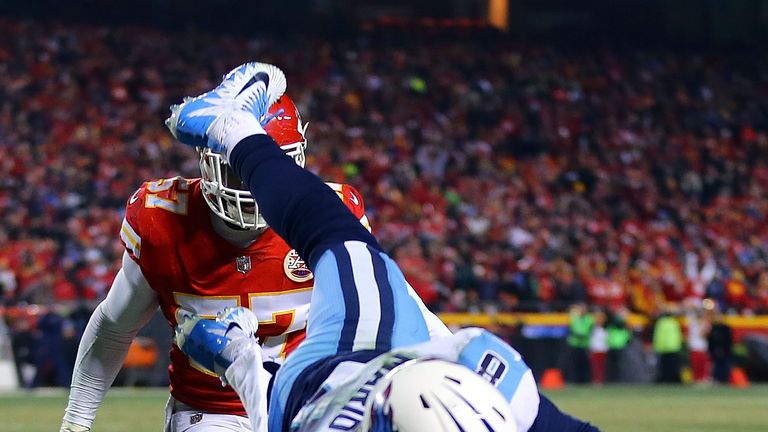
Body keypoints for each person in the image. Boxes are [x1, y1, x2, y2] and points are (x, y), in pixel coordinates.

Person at [168, 63, 598, 431]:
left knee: (265, 386)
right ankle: (232, 126)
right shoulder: (498, 381)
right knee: (338, 238)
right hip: (369, 367)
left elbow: (265, 407)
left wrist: (241, 360)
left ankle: (235, 348)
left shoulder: (319, 418)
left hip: (310, 391)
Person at [60, 63, 451, 432]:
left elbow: (402, 307)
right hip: (211, 412)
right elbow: (114, 327)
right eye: (235, 169)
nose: (250, 187)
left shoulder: (329, 211)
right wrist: (76, 421)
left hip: (310, 401)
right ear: (207, 161)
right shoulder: (162, 220)